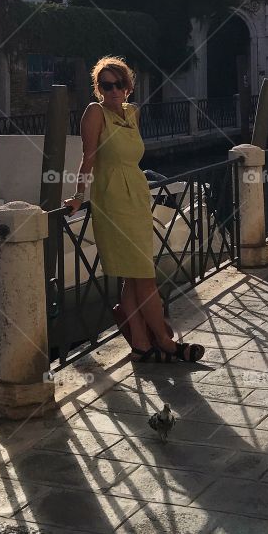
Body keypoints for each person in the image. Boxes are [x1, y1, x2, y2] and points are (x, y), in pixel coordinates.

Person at [63, 57, 203, 364]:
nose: (113, 91)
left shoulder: (133, 112)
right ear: (98, 89)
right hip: (112, 201)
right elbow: (88, 158)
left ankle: (140, 344)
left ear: (129, 87)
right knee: (145, 276)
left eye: (119, 85)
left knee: (133, 276)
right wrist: (77, 195)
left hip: (137, 197)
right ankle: (166, 343)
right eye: (106, 85)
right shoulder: (94, 112)